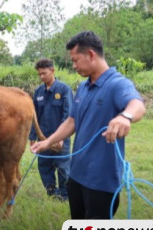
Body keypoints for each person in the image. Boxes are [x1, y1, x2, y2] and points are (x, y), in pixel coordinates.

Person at [31, 31, 146, 219]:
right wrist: (47, 142)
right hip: (76, 174)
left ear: (91, 54)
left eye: (76, 60)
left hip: (101, 180)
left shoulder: (117, 84)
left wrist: (125, 117)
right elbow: (71, 122)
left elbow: (137, 105)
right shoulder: (83, 87)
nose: (74, 66)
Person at [29, 58, 73, 201]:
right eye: (39, 74)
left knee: (63, 167)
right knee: (44, 166)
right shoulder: (38, 92)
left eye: (44, 73)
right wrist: (32, 137)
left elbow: (68, 116)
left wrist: (61, 138)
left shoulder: (64, 90)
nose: (42, 77)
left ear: (52, 71)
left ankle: (65, 195)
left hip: (60, 138)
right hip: (43, 138)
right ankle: (51, 192)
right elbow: (34, 116)